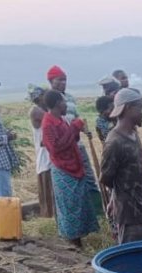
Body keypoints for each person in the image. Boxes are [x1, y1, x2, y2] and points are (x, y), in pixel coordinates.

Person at [41, 90, 100, 247]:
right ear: (57, 104)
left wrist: (77, 130)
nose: (66, 104)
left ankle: (78, 240)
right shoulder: (48, 124)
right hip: (63, 169)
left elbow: (70, 139)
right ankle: (73, 243)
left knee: (78, 203)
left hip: (73, 166)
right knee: (70, 207)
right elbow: (55, 148)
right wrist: (74, 128)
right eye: (63, 102)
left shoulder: (60, 119)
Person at [47, 65, 105, 218]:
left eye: (65, 80)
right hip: (64, 151)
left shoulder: (70, 98)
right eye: (59, 80)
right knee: (71, 183)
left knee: (89, 176)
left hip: (77, 144)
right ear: (51, 81)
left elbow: (78, 118)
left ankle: (97, 212)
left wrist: (85, 130)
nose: (63, 83)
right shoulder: (49, 101)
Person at [99, 89, 142, 244]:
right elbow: (106, 178)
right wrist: (116, 198)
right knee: (132, 262)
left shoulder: (133, 134)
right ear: (128, 108)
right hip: (129, 216)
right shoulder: (114, 142)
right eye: (140, 107)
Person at [28, 85, 55, 218]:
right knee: (49, 189)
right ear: (39, 98)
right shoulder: (36, 111)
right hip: (45, 157)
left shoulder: (44, 110)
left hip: (49, 156)